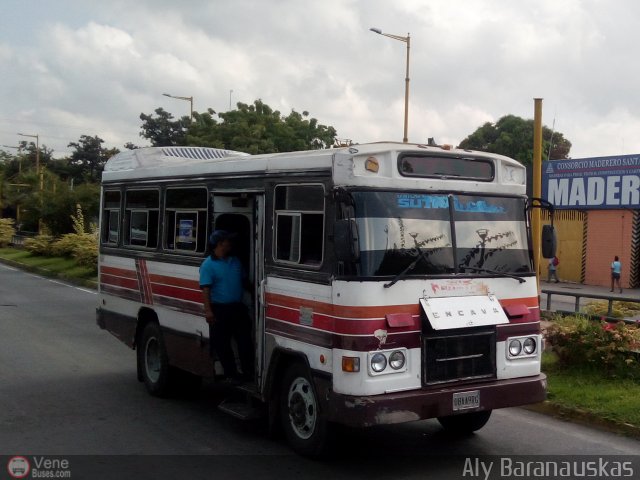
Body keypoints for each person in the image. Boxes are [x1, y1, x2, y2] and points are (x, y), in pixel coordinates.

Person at [200, 230, 254, 382]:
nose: (230, 244)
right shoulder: (208, 265)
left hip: (237, 308)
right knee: (222, 344)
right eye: (227, 241)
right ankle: (231, 374)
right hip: (219, 310)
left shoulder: (235, 261)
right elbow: (206, 290)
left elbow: (244, 282)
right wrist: (208, 311)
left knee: (245, 341)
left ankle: (248, 372)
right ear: (219, 243)